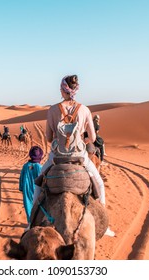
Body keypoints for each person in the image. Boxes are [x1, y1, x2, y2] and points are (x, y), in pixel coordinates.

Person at [33, 74, 114, 236]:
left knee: (38, 184)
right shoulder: (84, 110)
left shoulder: (53, 109)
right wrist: (80, 136)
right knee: (99, 182)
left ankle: (31, 222)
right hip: (80, 158)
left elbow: (49, 138)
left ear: (63, 90)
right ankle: (104, 227)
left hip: (56, 158)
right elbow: (92, 138)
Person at [19, 146, 43, 229]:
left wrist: (21, 188)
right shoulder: (39, 167)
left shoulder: (25, 166)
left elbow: (21, 178)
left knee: (28, 206)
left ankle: (30, 223)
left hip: (27, 189)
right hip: (37, 190)